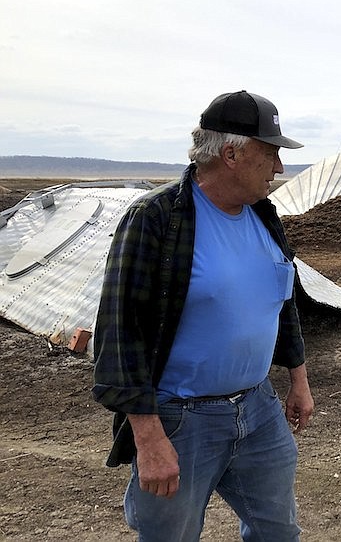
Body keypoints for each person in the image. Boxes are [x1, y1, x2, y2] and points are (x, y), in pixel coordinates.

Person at [92, 90, 315, 541]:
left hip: (258, 410)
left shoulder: (264, 216)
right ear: (231, 154)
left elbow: (282, 299)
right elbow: (120, 335)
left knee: (279, 532)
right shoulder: (156, 219)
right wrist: (150, 440)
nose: (279, 168)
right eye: (270, 153)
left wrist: (298, 378)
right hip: (181, 420)